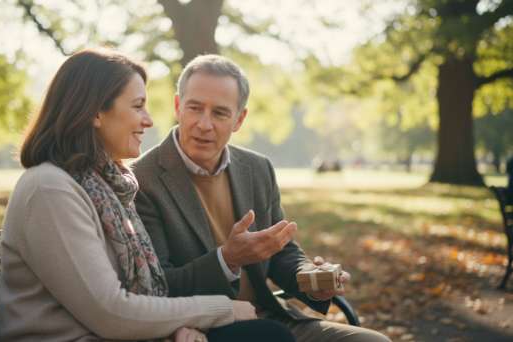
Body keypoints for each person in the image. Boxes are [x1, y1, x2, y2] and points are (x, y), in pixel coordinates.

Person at [0, 49, 296, 342]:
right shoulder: (50, 189)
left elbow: (133, 295)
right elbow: (111, 312)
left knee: (268, 335)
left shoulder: (104, 187)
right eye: (138, 106)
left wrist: (180, 326)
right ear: (96, 112)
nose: (149, 120)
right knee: (268, 337)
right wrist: (220, 311)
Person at [132, 55, 391, 342]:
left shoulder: (257, 168)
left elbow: (280, 252)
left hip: (271, 317)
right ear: (178, 106)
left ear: (239, 119)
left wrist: (310, 279)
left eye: (220, 113)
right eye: (195, 108)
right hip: (202, 329)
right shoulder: (143, 180)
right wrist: (226, 259)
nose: (204, 124)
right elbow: (159, 284)